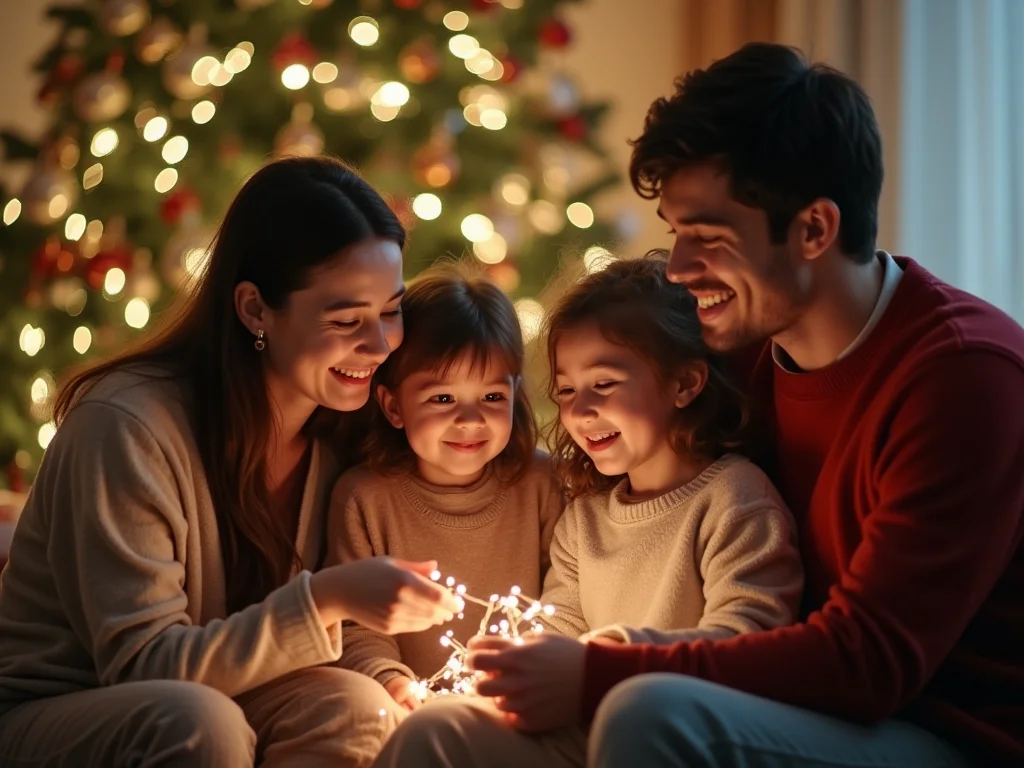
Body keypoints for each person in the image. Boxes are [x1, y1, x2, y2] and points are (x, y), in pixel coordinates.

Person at [432, 43, 1024, 767]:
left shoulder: (965, 377)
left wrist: (596, 674)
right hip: (781, 703)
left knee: (649, 714)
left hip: (940, 731)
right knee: (448, 732)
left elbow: (870, 665)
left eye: (708, 239)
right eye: (677, 234)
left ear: (813, 229)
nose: (679, 270)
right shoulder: (733, 351)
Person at [0, 155, 461, 768]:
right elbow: (142, 665)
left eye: (391, 311)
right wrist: (325, 598)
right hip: (64, 707)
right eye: (346, 319)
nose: (378, 345)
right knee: (198, 722)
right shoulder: (127, 427)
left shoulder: (347, 433)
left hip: (223, 697)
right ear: (254, 310)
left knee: (356, 704)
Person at [372, 253, 804, 766]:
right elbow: (562, 621)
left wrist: (601, 662)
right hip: (578, 730)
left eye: (604, 384)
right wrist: (516, 669)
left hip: (674, 730)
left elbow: (749, 642)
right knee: (438, 727)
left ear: (684, 383)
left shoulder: (734, 498)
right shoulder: (584, 515)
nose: (579, 411)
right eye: (567, 391)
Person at [326, 263, 563, 710]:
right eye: (443, 398)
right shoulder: (364, 499)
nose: (471, 419)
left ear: (516, 392)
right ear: (394, 406)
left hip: (523, 703)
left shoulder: (542, 485)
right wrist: (393, 683)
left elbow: (569, 598)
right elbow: (355, 628)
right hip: (411, 712)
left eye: (492, 397)